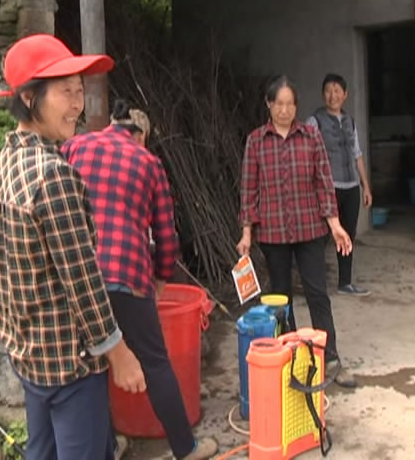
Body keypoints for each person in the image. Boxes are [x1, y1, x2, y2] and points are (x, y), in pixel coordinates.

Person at [0, 34, 146, 460]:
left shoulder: (4, 163)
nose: (77, 104)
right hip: (71, 365)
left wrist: (8, 307)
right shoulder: (53, 176)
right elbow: (83, 280)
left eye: (80, 90)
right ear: (30, 98)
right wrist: (119, 354)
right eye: (65, 91)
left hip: (28, 357)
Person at [61, 100, 219, 460]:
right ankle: (186, 448)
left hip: (78, 277)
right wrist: (160, 280)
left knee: (90, 365)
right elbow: (165, 234)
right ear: (141, 135)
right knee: (155, 362)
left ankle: (107, 445)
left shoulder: (74, 147)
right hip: (127, 276)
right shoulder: (148, 162)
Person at [237, 75, 357, 388]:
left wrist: (335, 224)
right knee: (280, 299)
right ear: (268, 104)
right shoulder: (256, 141)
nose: (284, 110)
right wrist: (247, 233)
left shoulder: (311, 137)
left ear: (296, 106)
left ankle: (330, 358)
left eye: (290, 104)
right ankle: (289, 359)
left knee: (318, 294)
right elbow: (248, 190)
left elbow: (323, 183)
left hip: (309, 229)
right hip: (273, 232)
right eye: (279, 103)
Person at [307, 73, 373, 297]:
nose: (332, 95)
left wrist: (365, 186)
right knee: (320, 237)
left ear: (345, 95)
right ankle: (315, 284)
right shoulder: (315, 121)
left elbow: (357, 154)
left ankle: (345, 283)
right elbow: (306, 154)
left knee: (348, 235)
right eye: (328, 91)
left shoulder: (350, 121)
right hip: (328, 188)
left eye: (337, 91)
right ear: (322, 94)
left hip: (351, 187)